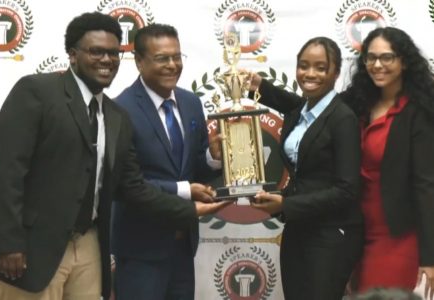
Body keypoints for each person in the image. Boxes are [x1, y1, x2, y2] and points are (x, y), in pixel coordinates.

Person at [0, 12, 225, 300]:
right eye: (96, 51)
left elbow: (130, 186)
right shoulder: (37, 91)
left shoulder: (114, 116)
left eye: (113, 53)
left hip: (88, 245)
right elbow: (7, 171)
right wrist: (8, 242)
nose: (107, 60)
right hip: (33, 248)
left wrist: (190, 208)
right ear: (72, 55)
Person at [247, 37, 364, 300]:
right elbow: (290, 103)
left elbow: (347, 191)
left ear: (335, 72)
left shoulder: (343, 118)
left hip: (331, 235)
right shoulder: (301, 111)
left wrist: (285, 205)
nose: (310, 74)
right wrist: (258, 86)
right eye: (303, 65)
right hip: (299, 229)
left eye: (321, 68)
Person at [111, 23, 220, 300]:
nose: (172, 65)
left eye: (177, 57)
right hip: (141, 249)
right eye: (162, 58)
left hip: (184, 246)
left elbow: (194, 166)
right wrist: (186, 190)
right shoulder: (120, 110)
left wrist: (213, 158)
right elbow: (128, 185)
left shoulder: (191, 102)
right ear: (138, 61)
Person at [342, 26, 434, 298]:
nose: (377, 65)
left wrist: (429, 257)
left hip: (397, 235)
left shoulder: (419, 112)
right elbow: (315, 109)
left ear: (404, 62)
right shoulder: (358, 103)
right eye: (371, 58)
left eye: (387, 57)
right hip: (354, 231)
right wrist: (263, 89)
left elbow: (426, 185)